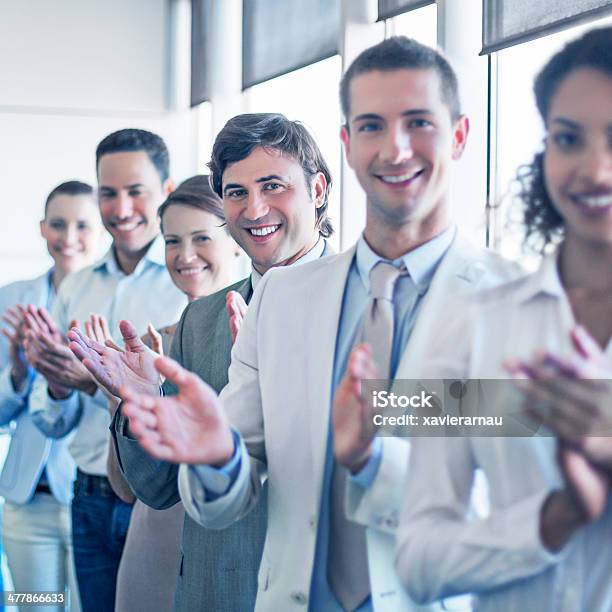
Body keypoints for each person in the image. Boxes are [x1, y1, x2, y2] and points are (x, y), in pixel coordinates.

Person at [118, 38, 519, 611]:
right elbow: (225, 493)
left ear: (458, 137)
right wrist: (217, 457)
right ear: (350, 146)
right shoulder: (280, 299)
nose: (396, 149)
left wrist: (378, 444)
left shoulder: (519, 302)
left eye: (419, 123)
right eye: (373, 126)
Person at [67, 113, 334, 611]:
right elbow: (160, 488)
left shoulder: (374, 298)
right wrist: (142, 406)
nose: (254, 209)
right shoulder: (201, 320)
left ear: (317, 189)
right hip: (217, 589)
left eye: (273, 185)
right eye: (235, 193)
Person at [395, 27, 612, 611]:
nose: (596, 170)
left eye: (418, 126)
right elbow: (417, 560)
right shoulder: (478, 319)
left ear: (460, 138)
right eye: (569, 139)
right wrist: (555, 518)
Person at [25, 129, 187, 612]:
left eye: (136, 191)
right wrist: (57, 387)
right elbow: (50, 420)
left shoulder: (189, 279)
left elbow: (188, 411)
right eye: (108, 193)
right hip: (87, 495)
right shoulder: (76, 287)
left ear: (166, 191)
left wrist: (100, 387)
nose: (121, 208)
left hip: (157, 500)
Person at [83, 175, 241, 612]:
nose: (184, 256)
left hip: (227, 550)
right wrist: (123, 401)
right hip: (154, 542)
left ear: (236, 242)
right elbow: (127, 489)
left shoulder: (257, 332)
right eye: (172, 241)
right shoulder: (148, 348)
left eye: (201, 238)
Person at [0, 181, 102, 611]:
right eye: (58, 224)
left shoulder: (109, 299)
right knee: (33, 605)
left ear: (100, 230)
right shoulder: (12, 300)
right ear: (43, 228)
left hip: (88, 495)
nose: (69, 237)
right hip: (27, 501)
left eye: (82, 225)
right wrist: (19, 371)